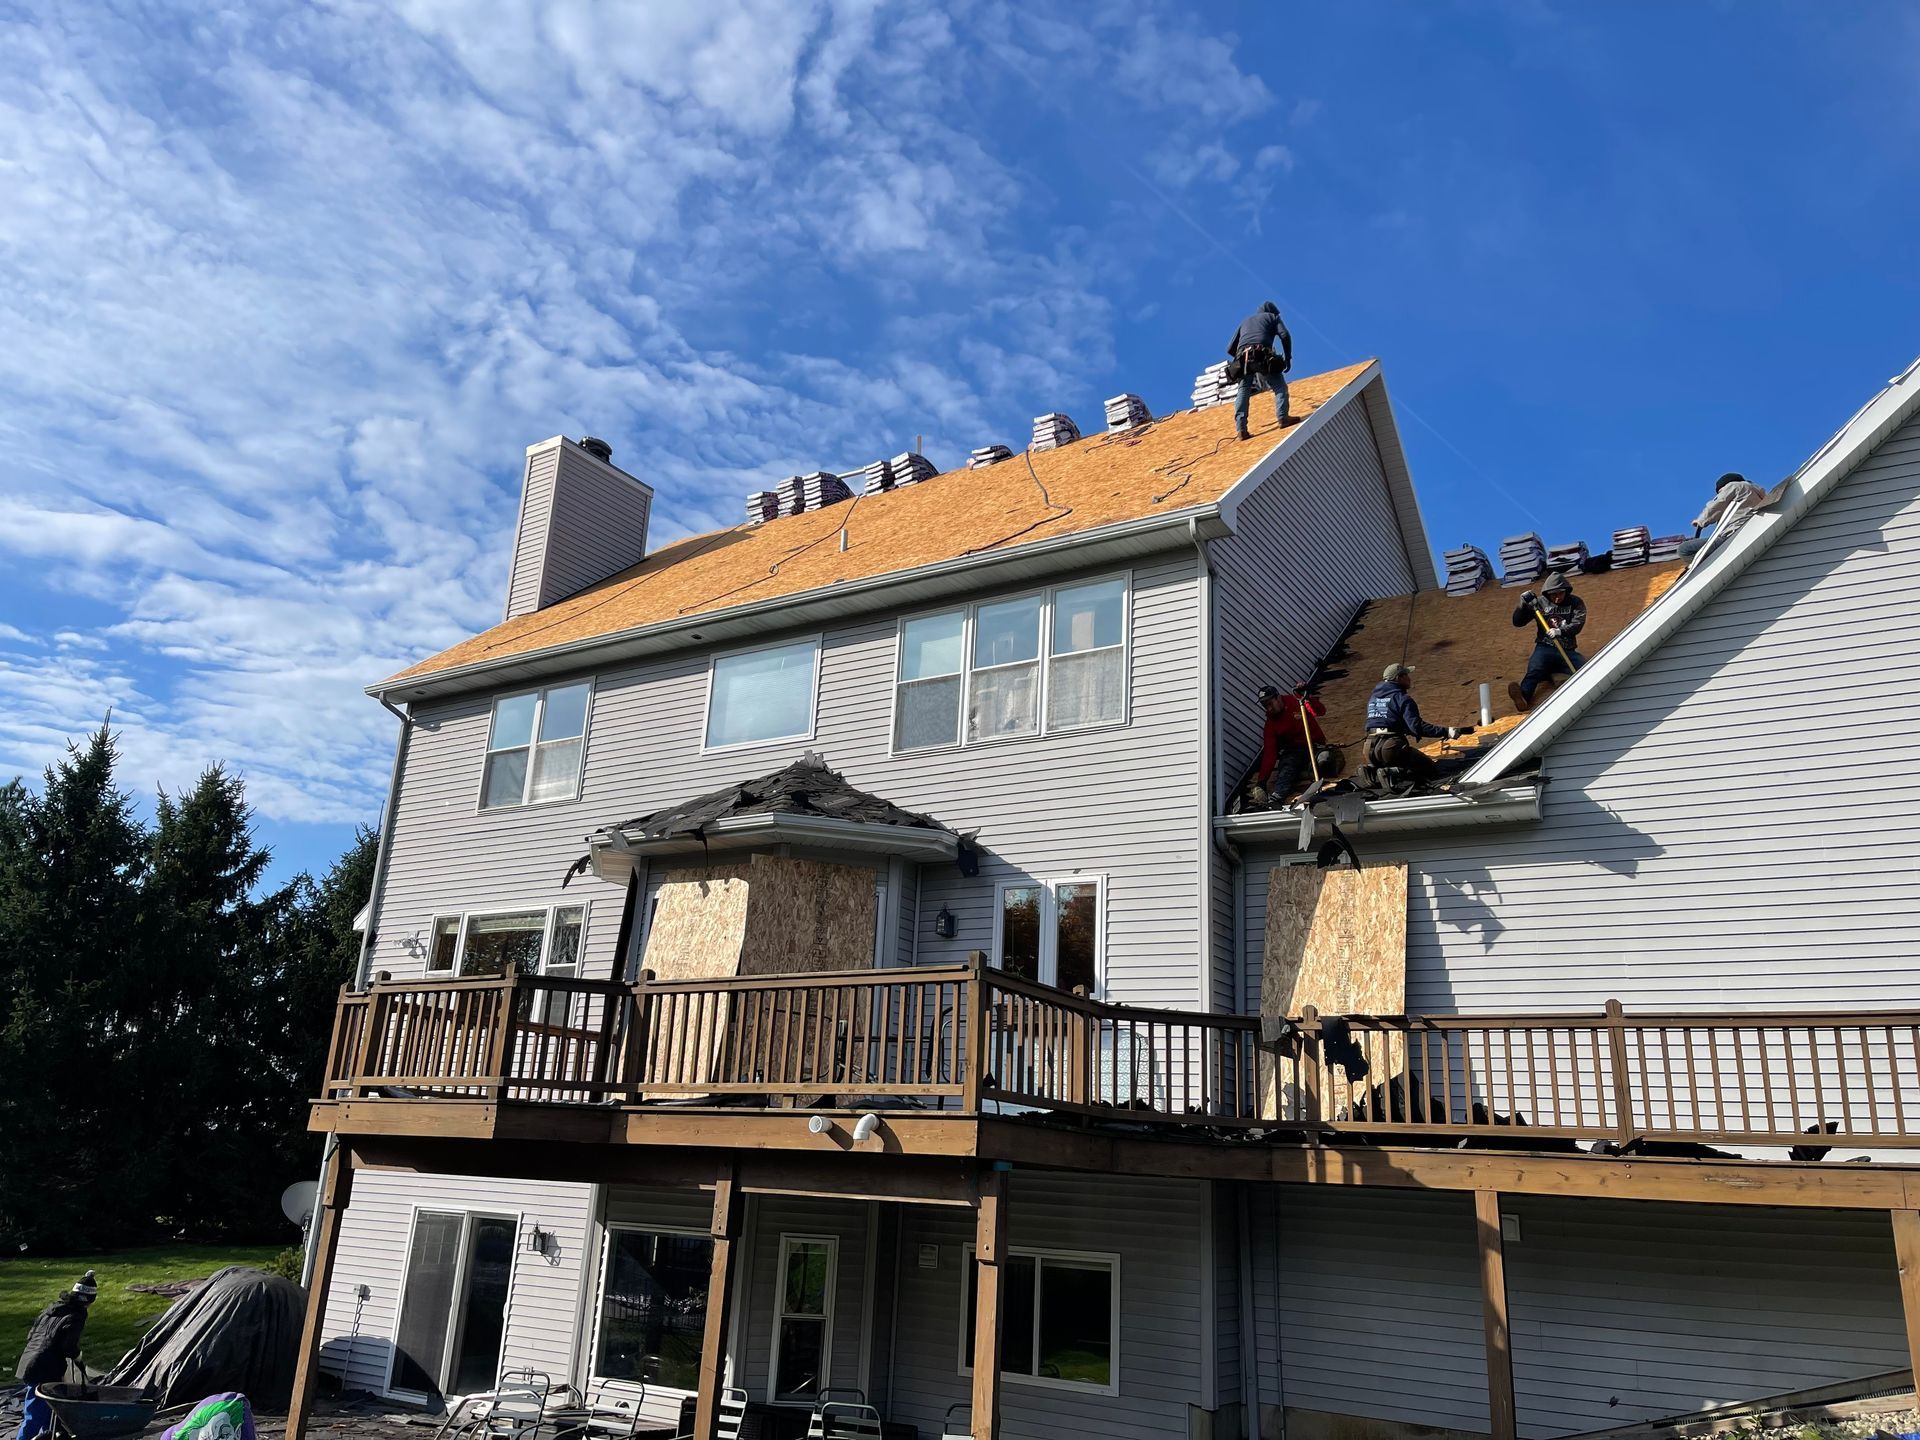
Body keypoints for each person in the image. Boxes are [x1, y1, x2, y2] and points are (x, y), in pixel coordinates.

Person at [14, 1272, 96, 1440]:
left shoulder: (51, 1310)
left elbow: (32, 1335)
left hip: (29, 1361)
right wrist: (78, 1357)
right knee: (36, 1414)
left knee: (48, 1411)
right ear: (89, 1300)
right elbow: (68, 1346)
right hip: (43, 1367)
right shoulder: (75, 1316)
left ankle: (47, 1436)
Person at [1363, 663, 1472, 785]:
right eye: (1406, 675)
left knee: (1390, 763)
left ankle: (1372, 770)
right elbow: (1417, 727)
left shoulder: (1374, 698)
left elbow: (1386, 722)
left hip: (1369, 748)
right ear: (1398, 678)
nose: (1409, 678)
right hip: (1391, 748)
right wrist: (1447, 731)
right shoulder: (1402, 699)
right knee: (1429, 769)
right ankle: (1393, 773)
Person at [1507, 570, 1587, 712]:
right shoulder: (1539, 603)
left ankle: (1586, 690)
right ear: (1547, 593)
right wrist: (1523, 606)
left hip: (1567, 650)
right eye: (1553, 594)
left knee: (1586, 668)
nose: (1557, 598)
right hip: (1545, 647)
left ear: (1566, 591)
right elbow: (1518, 622)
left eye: (1560, 593)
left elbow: (1578, 623)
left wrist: (1561, 631)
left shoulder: (1575, 602)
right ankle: (1523, 697)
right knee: (1535, 669)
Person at [1225, 300, 1292, 441]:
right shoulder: (1273, 317)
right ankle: (1283, 418)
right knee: (1279, 386)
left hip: (1242, 359)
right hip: (1262, 355)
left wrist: (1242, 357)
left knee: (1243, 390)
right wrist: (1287, 358)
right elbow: (1285, 335)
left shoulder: (1246, 321)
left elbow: (1230, 348)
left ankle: (1241, 430)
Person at [1252, 683, 1327, 803]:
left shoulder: (1297, 701)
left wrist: (1307, 697)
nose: (1269, 708)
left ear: (1278, 697)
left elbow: (1320, 711)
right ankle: (1277, 797)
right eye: (1265, 706)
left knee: (1325, 759)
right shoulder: (1271, 725)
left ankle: (1317, 774)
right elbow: (1269, 754)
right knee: (1287, 767)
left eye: (1270, 704)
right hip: (1294, 753)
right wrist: (1261, 782)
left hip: (1315, 746)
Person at [1678, 471, 1767, 556]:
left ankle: (1707, 568)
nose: (1720, 494)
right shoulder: (1756, 492)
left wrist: (1700, 521)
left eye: (1720, 492)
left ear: (1724, 486)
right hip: (1752, 530)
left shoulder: (1733, 486)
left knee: (1685, 549)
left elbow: (1716, 505)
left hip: (1733, 534)